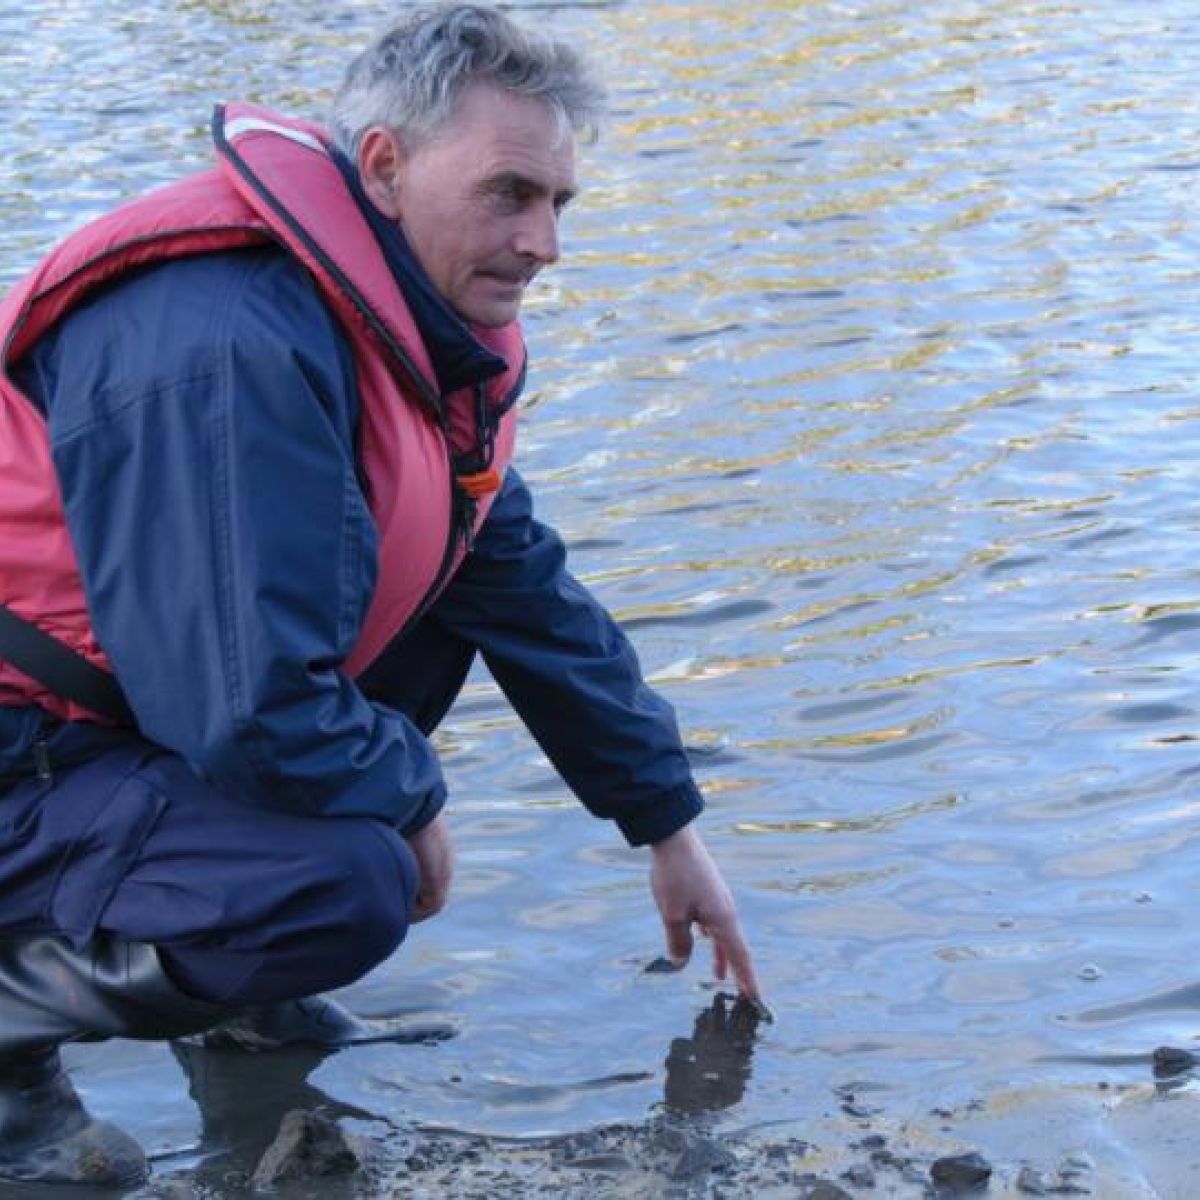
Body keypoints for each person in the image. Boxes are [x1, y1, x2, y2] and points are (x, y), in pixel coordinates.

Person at [0, 2, 760, 1186]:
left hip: (98, 719)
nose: (545, 241)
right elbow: (245, 707)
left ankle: (244, 1010)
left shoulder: (410, 330)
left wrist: (668, 825)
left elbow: (520, 587)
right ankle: (11, 1054)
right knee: (347, 880)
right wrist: (408, 804)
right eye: (510, 192)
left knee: (418, 638)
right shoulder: (226, 338)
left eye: (561, 203)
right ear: (384, 167)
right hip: (17, 747)